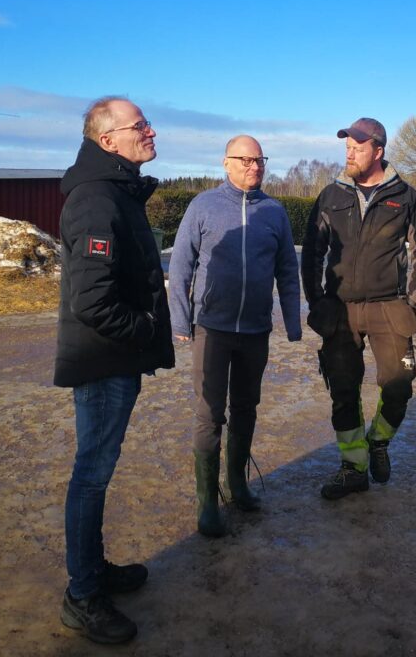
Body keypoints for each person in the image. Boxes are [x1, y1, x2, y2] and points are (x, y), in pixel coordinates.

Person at [54, 96, 175, 644]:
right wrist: (144, 330)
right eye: (139, 126)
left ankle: (93, 570)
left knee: (96, 471)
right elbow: (92, 301)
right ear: (109, 141)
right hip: (104, 360)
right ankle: (82, 596)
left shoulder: (116, 191)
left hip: (113, 357)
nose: (150, 131)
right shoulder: (96, 199)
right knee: (92, 475)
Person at [168, 134, 302, 537]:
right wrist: (180, 320)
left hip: (255, 330)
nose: (254, 167)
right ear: (225, 163)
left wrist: (292, 322)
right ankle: (207, 500)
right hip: (213, 328)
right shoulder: (203, 206)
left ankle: (237, 483)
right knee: (209, 413)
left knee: (247, 407)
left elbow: (287, 271)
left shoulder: (275, 212)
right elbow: (180, 266)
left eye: (260, 160)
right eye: (244, 160)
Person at [301, 117, 416, 499]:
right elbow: (313, 251)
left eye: (358, 147)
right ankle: (354, 466)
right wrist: (316, 302)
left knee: (399, 386)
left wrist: (413, 302)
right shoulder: (331, 196)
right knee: (343, 390)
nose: (350, 152)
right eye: (347, 146)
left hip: (389, 308)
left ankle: (378, 441)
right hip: (339, 311)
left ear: (378, 151)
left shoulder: (406, 197)